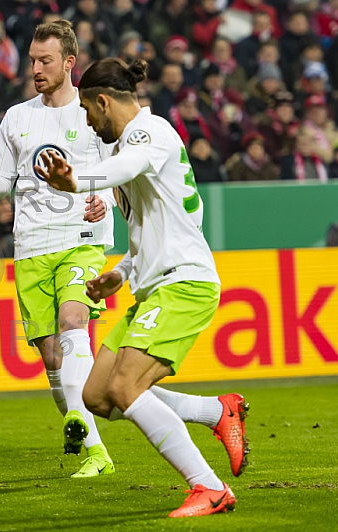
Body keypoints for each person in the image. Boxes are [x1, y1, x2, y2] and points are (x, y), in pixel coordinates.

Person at [36, 57, 248, 518]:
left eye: (91, 114)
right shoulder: (131, 149)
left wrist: (76, 182)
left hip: (184, 284)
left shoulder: (148, 135)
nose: (91, 125)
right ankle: (217, 412)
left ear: (104, 101)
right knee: (97, 395)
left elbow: (126, 167)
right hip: (155, 285)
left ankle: (208, 488)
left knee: (126, 387)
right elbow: (177, 218)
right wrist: (124, 270)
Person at [0, 20, 118, 478]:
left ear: (70, 63)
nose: (36, 68)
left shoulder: (95, 113)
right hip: (30, 248)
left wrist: (102, 200)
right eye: (32, 60)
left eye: (45, 60)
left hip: (80, 242)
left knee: (73, 321)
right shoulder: (17, 117)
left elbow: (122, 174)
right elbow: (2, 186)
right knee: (51, 356)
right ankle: (78, 425)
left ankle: (96, 451)